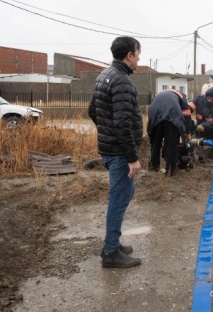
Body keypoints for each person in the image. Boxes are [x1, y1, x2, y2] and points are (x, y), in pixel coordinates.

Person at [88, 36, 143, 268]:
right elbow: (122, 123)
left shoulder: (105, 75)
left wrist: (106, 133)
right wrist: (132, 157)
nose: (139, 58)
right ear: (129, 55)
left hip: (111, 149)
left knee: (122, 195)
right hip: (120, 154)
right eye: (138, 53)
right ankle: (110, 252)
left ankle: (113, 243)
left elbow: (93, 110)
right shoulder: (121, 81)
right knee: (119, 199)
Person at [147, 89, 193, 176]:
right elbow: (187, 115)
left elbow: (151, 113)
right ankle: (171, 169)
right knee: (171, 143)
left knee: (155, 142)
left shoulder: (159, 95)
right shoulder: (182, 96)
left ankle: (154, 166)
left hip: (155, 113)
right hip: (172, 114)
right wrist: (187, 133)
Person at [188, 84, 213, 164]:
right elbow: (188, 109)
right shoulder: (199, 99)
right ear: (206, 96)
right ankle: (196, 160)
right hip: (201, 131)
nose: (209, 101)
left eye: (212, 100)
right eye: (208, 98)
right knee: (192, 144)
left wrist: (204, 126)